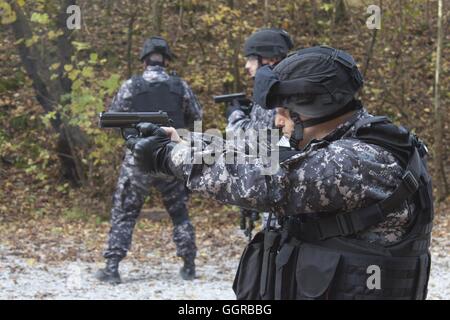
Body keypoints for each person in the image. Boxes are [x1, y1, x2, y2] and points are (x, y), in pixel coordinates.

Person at [127, 45, 433, 299]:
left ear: (315, 108)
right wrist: (180, 140)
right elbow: (256, 152)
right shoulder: (337, 139)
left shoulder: (364, 159)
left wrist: (171, 158)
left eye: (284, 113)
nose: (277, 122)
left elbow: (268, 181)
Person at [95, 36, 202, 284]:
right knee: (179, 213)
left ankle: (112, 268)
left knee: (125, 212)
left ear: (144, 60)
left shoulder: (131, 85)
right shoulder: (180, 86)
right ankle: (189, 265)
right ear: (165, 60)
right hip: (171, 156)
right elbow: (196, 115)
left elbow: (115, 116)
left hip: (139, 158)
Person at [226, 28, 294, 237]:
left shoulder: (273, 90)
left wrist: (235, 116)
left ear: (268, 59)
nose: (247, 66)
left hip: (280, 190)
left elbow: (251, 142)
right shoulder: (291, 84)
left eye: (251, 59)